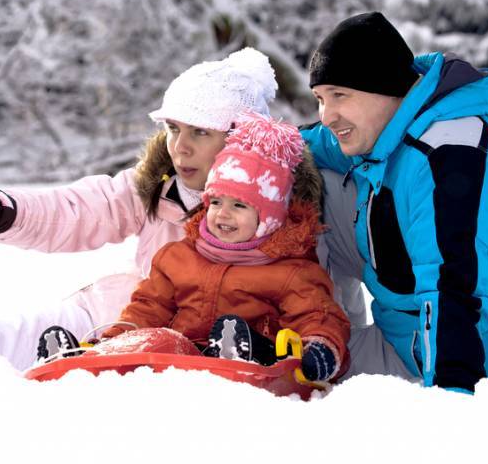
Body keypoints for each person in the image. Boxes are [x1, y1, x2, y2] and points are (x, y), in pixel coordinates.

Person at [0, 48, 323, 385]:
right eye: (174, 129)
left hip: (223, 350)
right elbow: (74, 209)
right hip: (115, 322)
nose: (180, 147)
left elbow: (318, 301)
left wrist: (315, 358)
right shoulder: (152, 189)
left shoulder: (287, 216)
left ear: (239, 136)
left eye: (199, 133)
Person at [300, 12, 488, 393]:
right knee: (296, 176)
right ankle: (315, 323)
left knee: (295, 368)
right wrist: (239, 144)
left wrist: (452, 397)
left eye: (340, 96)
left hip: (482, 350)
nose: (327, 116)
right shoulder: (392, 122)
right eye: (320, 99)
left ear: (384, 88)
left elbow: (455, 286)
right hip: (408, 321)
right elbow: (313, 144)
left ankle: (321, 346)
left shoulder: (448, 153)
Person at [51, 112, 350, 382]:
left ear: (268, 218)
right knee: (160, 340)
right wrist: (115, 338)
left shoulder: (292, 272)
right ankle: (90, 359)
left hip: (257, 369)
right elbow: (147, 310)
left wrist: (319, 349)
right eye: (216, 202)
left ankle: (236, 349)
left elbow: (317, 316)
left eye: (239, 205)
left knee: (239, 339)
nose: (223, 213)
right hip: (184, 362)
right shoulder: (179, 258)